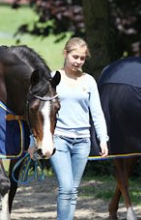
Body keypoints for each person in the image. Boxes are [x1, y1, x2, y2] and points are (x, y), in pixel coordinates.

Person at [29, 37, 109, 220]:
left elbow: (96, 111)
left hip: (83, 142)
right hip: (60, 140)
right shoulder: (52, 78)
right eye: (75, 57)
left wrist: (103, 138)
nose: (78, 61)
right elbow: (36, 111)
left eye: (82, 58)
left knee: (73, 190)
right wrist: (33, 140)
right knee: (66, 188)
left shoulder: (88, 81)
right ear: (65, 54)